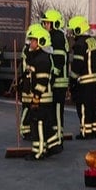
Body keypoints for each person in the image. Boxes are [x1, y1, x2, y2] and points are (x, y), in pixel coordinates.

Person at [22, 24, 62, 160]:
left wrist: (36, 98)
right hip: (39, 98)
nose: (30, 42)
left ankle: (38, 152)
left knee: (37, 124)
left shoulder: (43, 59)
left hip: (42, 98)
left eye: (33, 40)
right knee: (46, 124)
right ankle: (53, 146)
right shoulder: (35, 57)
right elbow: (30, 77)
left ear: (41, 42)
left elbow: (42, 82)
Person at [68, 15, 96, 139]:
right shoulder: (92, 41)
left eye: (73, 31)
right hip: (95, 80)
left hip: (85, 81)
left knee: (83, 107)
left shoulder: (80, 44)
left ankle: (85, 132)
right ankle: (93, 130)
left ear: (78, 29)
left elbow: (77, 64)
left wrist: (72, 80)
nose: (72, 34)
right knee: (93, 106)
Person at [41, 10, 69, 142]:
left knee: (57, 110)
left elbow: (59, 58)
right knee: (53, 110)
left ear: (54, 24)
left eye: (47, 22)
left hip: (59, 81)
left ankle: (58, 137)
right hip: (56, 80)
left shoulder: (56, 36)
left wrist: (53, 75)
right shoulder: (56, 36)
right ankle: (55, 135)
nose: (45, 25)